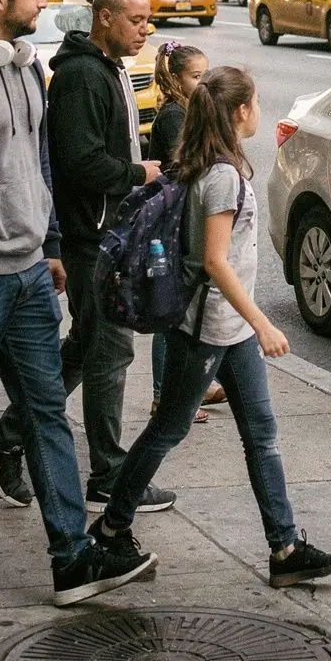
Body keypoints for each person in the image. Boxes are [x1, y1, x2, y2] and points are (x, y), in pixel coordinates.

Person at [89, 65, 331, 589]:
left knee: (262, 433)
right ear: (239, 112)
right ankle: (113, 528)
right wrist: (262, 323)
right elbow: (215, 260)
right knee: (169, 428)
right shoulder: (223, 176)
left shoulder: (213, 165)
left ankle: (284, 548)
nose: (259, 110)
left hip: (228, 331)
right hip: (210, 329)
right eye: (254, 102)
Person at [0, 0, 155, 603]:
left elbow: (37, 164)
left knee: (45, 413)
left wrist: (53, 243)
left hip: (32, 272)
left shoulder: (25, 67)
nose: (44, 3)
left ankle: (71, 559)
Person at [0, 0, 175, 515]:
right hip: (91, 236)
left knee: (90, 346)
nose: (145, 29)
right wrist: (140, 173)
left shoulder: (105, 69)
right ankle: (108, 474)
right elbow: (78, 162)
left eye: (147, 19)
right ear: (105, 18)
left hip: (102, 231)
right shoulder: (83, 76)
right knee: (110, 351)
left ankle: (3, 440)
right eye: (136, 20)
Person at [149, 41, 223, 424]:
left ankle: (195, 386)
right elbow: (184, 168)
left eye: (206, 76)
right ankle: (166, 397)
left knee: (186, 310)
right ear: (174, 78)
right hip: (175, 224)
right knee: (171, 316)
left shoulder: (188, 110)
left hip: (181, 220)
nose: (204, 83)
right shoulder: (175, 115)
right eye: (197, 77)